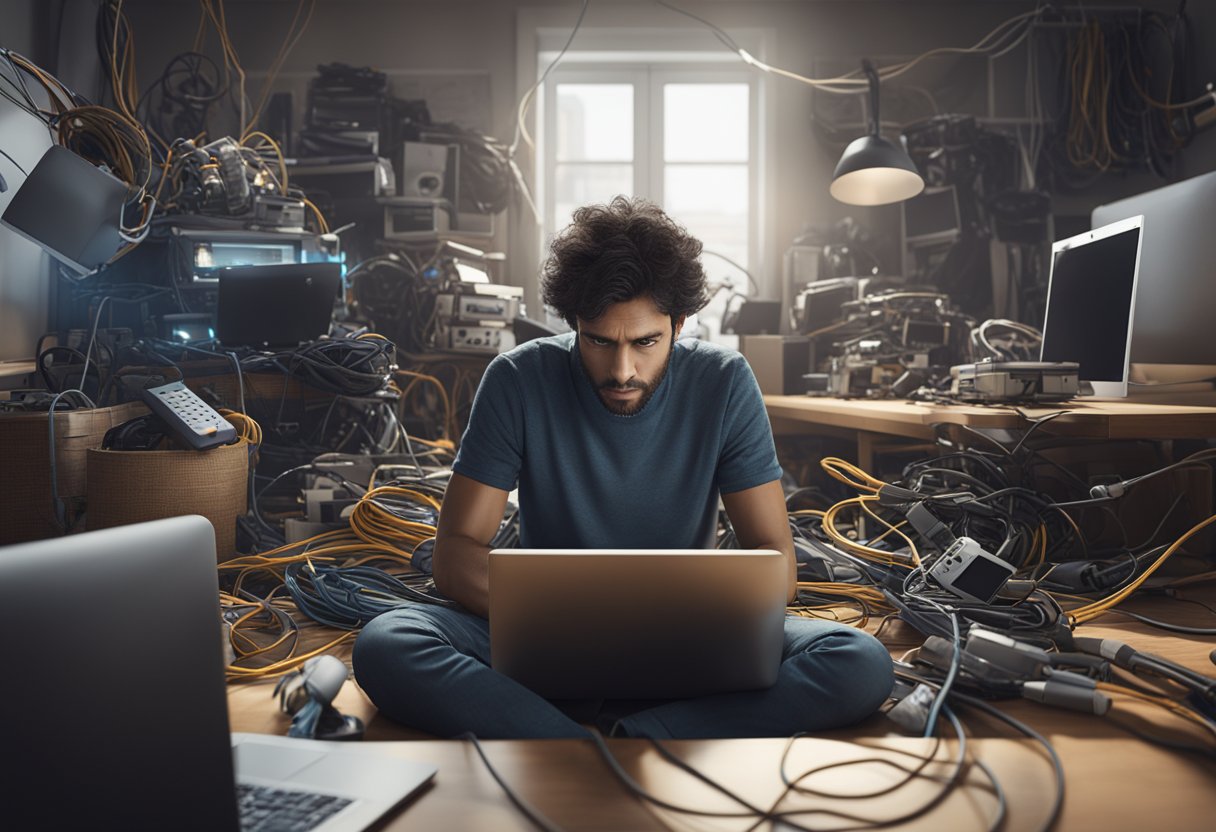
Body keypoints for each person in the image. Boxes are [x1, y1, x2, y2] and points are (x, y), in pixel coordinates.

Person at [354, 196, 893, 738]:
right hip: (549, 636)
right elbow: (454, 558)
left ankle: (633, 737)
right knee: (387, 642)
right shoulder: (516, 379)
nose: (622, 370)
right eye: (598, 341)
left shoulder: (724, 381)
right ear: (573, 323)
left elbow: (777, 563)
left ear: (680, 325)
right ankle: (587, 745)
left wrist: (685, 622)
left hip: (688, 639)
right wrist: (577, 623)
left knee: (859, 660)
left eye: (646, 342)